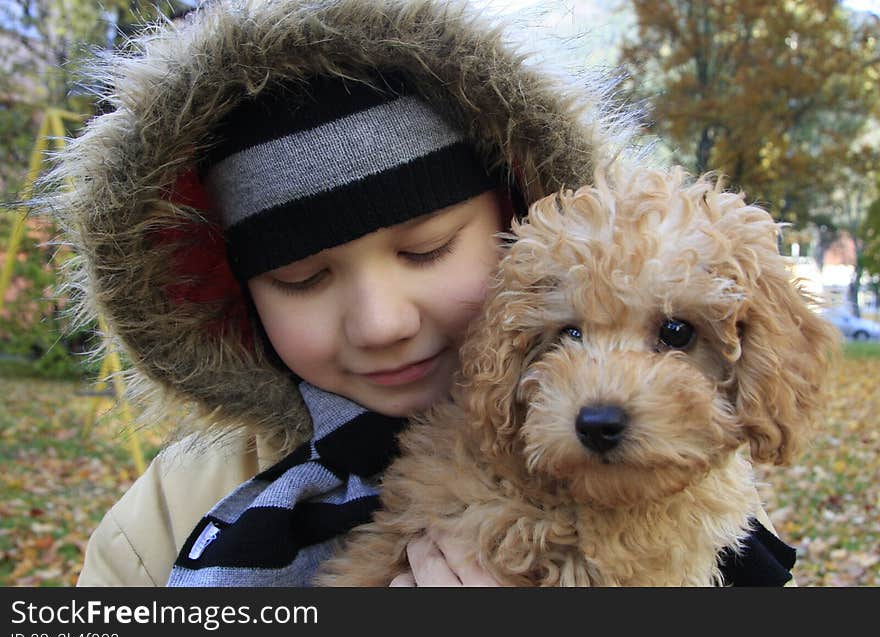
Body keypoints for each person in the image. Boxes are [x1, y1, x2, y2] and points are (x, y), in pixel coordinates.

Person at [54, 0, 794, 586]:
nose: (382, 322)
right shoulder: (155, 527)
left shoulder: (686, 488)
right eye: (302, 278)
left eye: (427, 248)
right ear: (239, 298)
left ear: (519, 212)